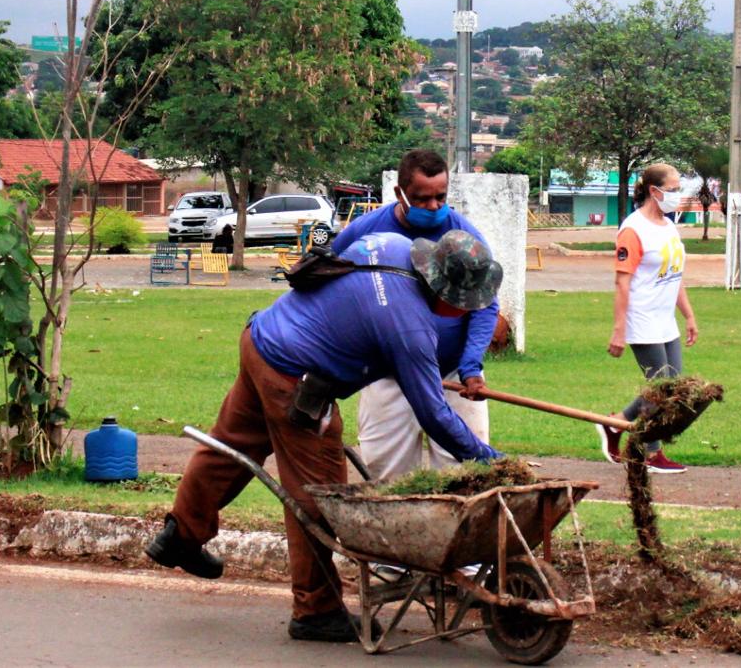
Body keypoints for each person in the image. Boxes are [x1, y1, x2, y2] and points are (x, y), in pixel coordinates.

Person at [145, 230, 503, 643]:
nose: (466, 309)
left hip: (263, 337)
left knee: (232, 445)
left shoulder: (390, 244)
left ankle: (181, 534)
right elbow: (435, 415)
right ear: (447, 293)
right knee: (319, 493)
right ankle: (316, 609)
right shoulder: (409, 327)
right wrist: (487, 458)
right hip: (295, 381)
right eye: (466, 301)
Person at [332, 149, 499, 480]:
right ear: (400, 193)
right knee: (388, 475)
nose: (434, 206)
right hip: (387, 373)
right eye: (423, 199)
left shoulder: (465, 238)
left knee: (463, 475)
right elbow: (327, 278)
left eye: (441, 197)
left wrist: (470, 366)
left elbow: (484, 304)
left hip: (452, 374)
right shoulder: (365, 233)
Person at [596, 163, 698, 473]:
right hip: (642, 319)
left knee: (672, 388)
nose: (678, 195)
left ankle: (616, 423)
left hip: (665, 320)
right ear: (654, 191)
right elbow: (622, 283)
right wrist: (619, 330)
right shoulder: (633, 230)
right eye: (673, 189)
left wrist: (689, 315)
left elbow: (675, 275)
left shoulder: (669, 226)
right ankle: (651, 454)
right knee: (661, 389)